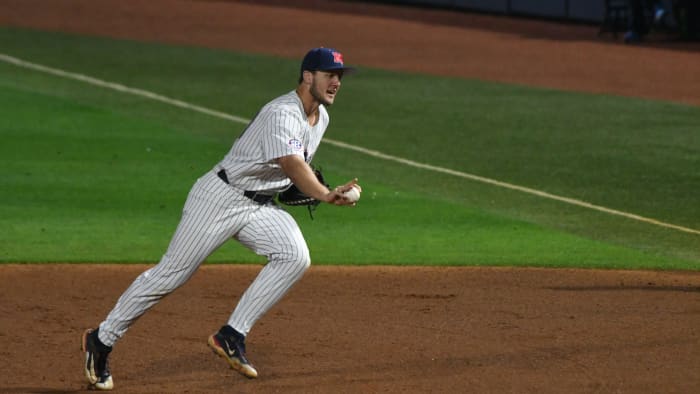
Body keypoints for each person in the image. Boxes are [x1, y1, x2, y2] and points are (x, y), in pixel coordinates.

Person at [81, 47, 361, 390]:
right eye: (329, 75)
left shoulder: (322, 118)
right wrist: (323, 193)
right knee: (169, 276)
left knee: (294, 256)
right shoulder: (282, 113)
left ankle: (231, 335)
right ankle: (101, 339)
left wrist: (308, 187)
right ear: (307, 76)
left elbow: (290, 173)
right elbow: (291, 162)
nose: (336, 82)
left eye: (340, 77)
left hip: (258, 207)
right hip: (219, 198)